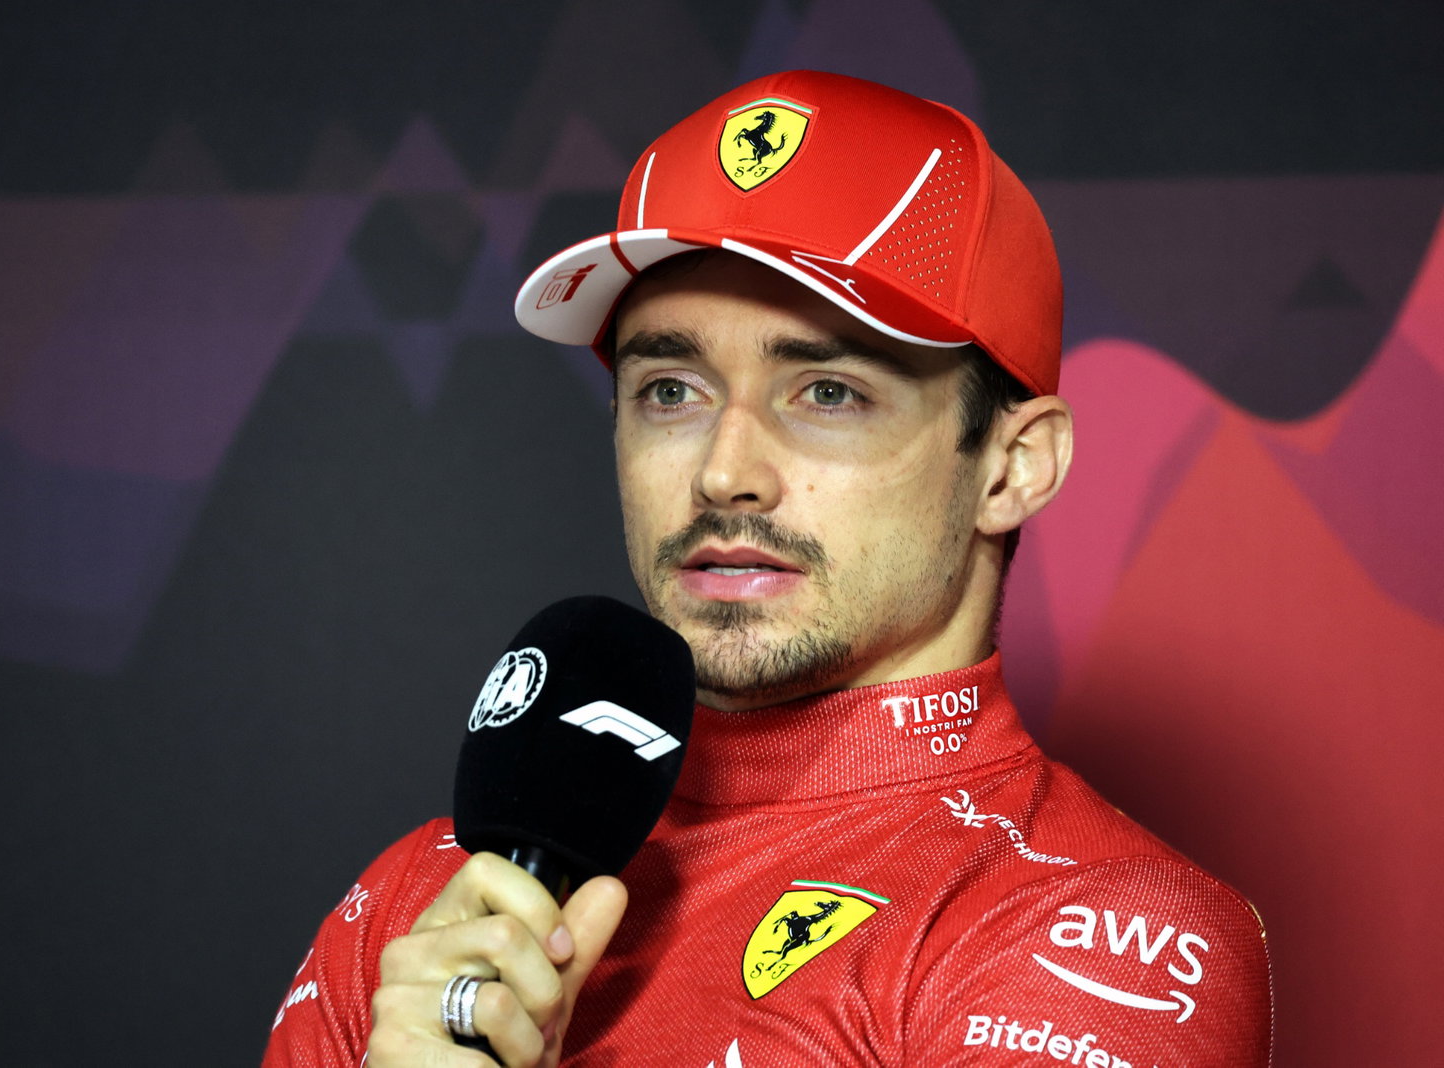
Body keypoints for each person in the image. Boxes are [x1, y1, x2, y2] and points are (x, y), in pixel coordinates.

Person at [262, 70, 1272, 1067]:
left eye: (827, 392)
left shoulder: (1105, 932)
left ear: (1011, 465)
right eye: (671, 389)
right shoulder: (421, 910)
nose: (724, 472)